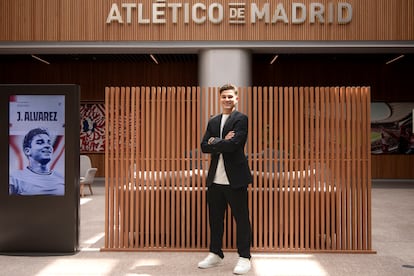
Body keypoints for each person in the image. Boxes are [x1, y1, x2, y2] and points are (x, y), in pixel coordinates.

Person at [198, 84, 253, 275]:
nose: (227, 100)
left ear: (236, 99)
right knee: (215, 219)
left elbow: (235, 144)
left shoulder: (241, 119)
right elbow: (204, 146)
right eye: (224, 97)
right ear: (219, 99)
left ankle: (245, 257)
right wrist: (221, 142)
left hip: (236, 179)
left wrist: (216, 142)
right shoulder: (213, 121)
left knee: (242, 219)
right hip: (215, 180)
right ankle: (215, 254)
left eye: (230, 97)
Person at [9, 128, 64, 196]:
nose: (47, 146)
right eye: (40, 142)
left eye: (49, 143)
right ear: (27, 151)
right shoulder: (15, 178)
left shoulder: (62, 178)